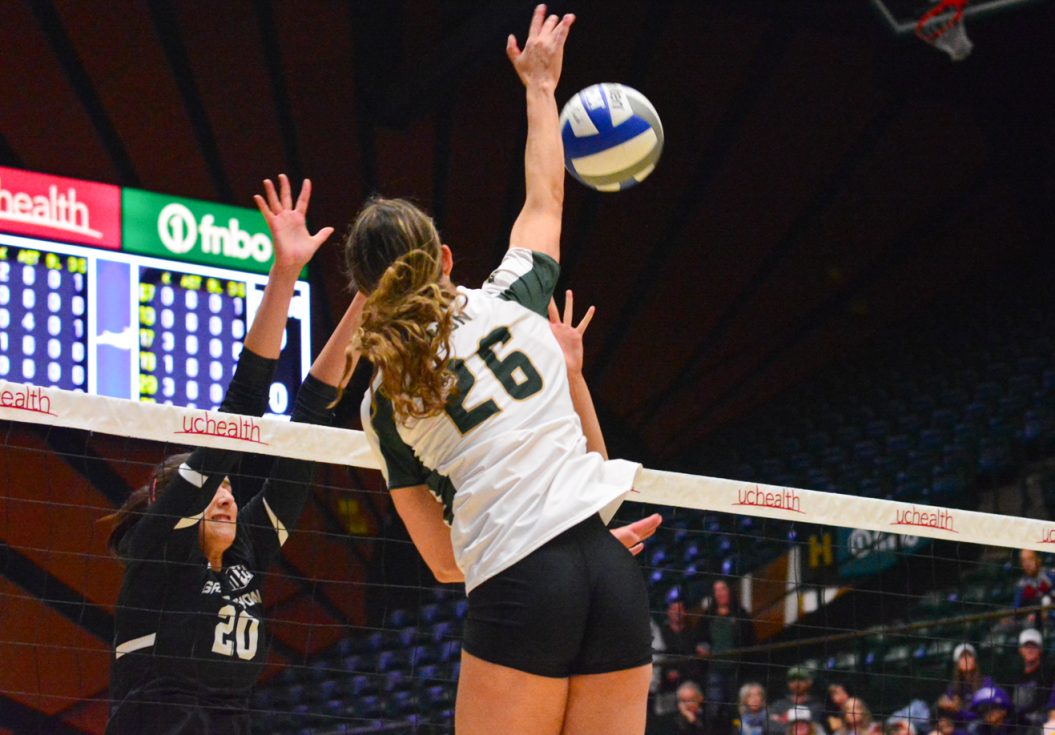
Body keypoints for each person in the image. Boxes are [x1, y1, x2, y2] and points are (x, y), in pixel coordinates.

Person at [349, 7, 660, 734]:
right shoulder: (515, 299)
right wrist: (541, 87)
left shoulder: (386, 401)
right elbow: (545, 197)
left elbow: (441, 560)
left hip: (522, 585)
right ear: (447, 259)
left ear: (364, 295)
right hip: (609, 572)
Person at [103, 176, 354, 733]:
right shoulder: (159, 544)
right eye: (215, 487)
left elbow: (311, 422)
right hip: (158, 717)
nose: (226, 497)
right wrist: (285, 272)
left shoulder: (250, 548)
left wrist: (368, 293)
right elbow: (243, 404)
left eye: (229, 492)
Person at [696, 579, 757, 730]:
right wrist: (701, 648)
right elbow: (699, 640)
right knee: (714, 709)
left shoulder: (741, 614)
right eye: (716, 590)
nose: (720, 593)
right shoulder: (707, 617)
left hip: (737, 670)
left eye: (722, 589)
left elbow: (751, 641)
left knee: (735, 709)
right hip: (714, 670)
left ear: (729, 591)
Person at [654, 599, 705, 717]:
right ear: (668, 612)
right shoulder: (662, 633)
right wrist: (668, 672)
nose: (677, 613)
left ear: (685, 613)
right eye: (674, 609)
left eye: (680, 609)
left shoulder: (693, 632)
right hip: (667, 686)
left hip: (689, 683)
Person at [1011, 628, 1055, 729]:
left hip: (1040, 719)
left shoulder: (1047, 672)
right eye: (1026, 646)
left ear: (1040, 649)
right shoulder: (1016, 675)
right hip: (1017, 720)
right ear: (1020, 650)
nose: (1030, 650)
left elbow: (1042, 701)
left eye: (1034, 646)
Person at [937, 644, 994, 723]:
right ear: (957, 664)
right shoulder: (953, 687)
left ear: (975, 660)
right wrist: (944, 704)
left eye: (969, 656)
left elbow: (984, 714)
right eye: (962, 657)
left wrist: (959, 710)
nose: (966, 660)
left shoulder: (986, 682)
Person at [1012, 550, 1055, 631]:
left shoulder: (1052, 575)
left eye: (1030, 559)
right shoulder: (1021, 584)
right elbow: (1017, 611)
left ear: (1039, 559)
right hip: (1030, 624)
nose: (1027, 564)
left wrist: (1047, 614)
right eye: (1023, 560)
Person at [769, 667, 824, 735]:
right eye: (792, 680)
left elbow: (815, 729)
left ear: (809, 682)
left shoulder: (817, 706)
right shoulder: (778, 705)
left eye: (801, 679)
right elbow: (769, 727)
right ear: (788, 683)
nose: (796, 683)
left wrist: (783, 720)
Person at [650, 681, 717, 735]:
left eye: (689, 701)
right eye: (682, 701)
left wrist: (693, 722)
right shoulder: (673, 719)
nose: (685, 705)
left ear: (700, 698)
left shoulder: (709, 715)